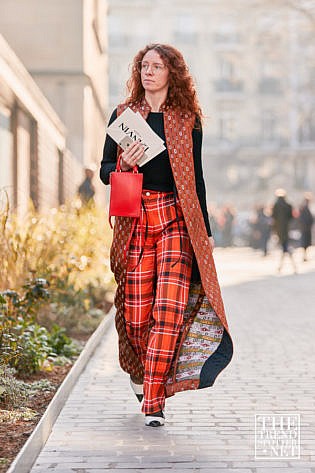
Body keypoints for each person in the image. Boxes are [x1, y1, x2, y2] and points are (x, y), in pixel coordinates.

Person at [100, 43, 233, 427]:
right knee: (137, 315)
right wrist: (122, 164)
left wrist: (203, 230)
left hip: (177, 219)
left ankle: (154, 400)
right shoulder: (124, 115)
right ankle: (141, 373)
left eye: (157, 66)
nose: (148, 72)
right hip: (136, 218)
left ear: (171, 73)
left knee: (169, 310)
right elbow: (104, 168)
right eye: (144, 66)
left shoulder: (187, 119)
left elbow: (197, 178)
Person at [272, 188, 296, 273]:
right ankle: (288, 266)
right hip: (287, 229)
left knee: (285, 247)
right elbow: (292, 217)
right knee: (285, 247)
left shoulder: (275, 205)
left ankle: (283, 266)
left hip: (279, 230)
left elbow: (273, 218)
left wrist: (274, 230)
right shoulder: (288, 205)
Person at [298, 195, 314, 262]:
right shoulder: (304, 208)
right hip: (305, 229)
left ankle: (305, 256)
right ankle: (304, 256)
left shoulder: (305, 208)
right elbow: (303, 219)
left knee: (306, 243)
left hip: (306, 228)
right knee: (305, 243)